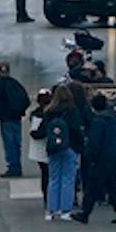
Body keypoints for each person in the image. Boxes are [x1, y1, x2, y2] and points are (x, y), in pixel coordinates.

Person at [73, 93, 116, 224]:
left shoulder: (98, 121)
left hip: (100, 158)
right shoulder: (113, 119)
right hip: (112, 155)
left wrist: (89, 156)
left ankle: (85, 213)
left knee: (92, 186)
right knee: (113, 184)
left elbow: (94, 142)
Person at [35, 86, 84, 221]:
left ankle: (51, 210)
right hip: (70, 147)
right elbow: (77, 130)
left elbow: (42, 130)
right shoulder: (73, 111)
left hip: (53, 149)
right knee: (68, 179)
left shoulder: (49, 111)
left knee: (54, 178)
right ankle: (65, 210)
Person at [0, 61, 30, 178]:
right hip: (16, 118)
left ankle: (13, 166)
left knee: (9, 143)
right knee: (17, 142)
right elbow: (25, 99)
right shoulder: (15, 83)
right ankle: (17, 165)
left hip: (5, 119)